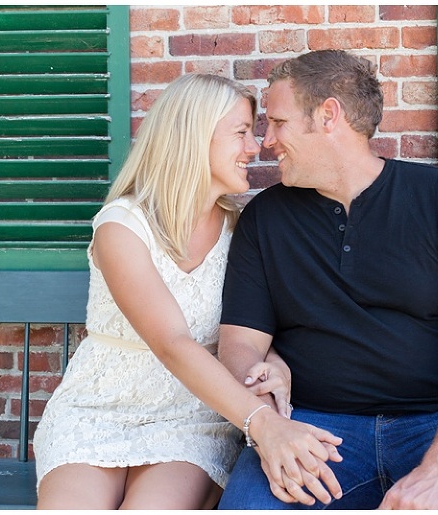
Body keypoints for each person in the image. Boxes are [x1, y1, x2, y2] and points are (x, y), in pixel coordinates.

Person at [217, 49, 438, 510]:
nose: (266, 141)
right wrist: (267, 390)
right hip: (314, 432)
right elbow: (240, 344)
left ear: (328, 116)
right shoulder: (266, 218)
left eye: (278, 122)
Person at [33, 73, 344, 510]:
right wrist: (263, 425)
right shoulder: (122, 226)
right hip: (96, 409)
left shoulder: (243, 231)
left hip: (193, 417)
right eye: (241, 133)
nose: (255, 148)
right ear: (194, 136)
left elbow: (249, 326)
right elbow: (171, 342)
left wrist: (272, 364)